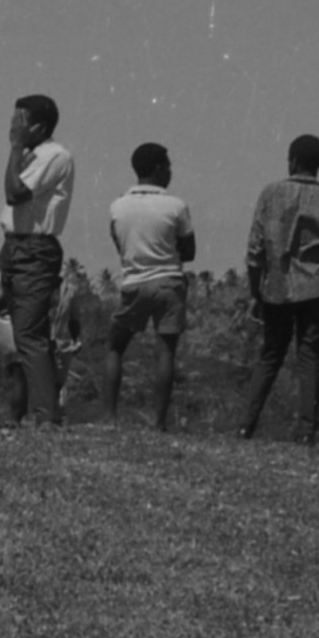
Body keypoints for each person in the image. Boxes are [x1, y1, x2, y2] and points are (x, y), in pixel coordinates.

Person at [234, 133, 319, 443]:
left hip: (278, 287)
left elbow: (255, 250)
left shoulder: (271, 194)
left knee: (270, 355)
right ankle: (306, 431)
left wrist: (255, 293)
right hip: (316, 289)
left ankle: (246, 426)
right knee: (310, 357)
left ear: (293, 160)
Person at [103, 142, 196, 428]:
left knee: (115, 347)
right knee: (165, 351)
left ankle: (110, 417)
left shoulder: (118, 206)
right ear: (158, 169)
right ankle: (158, 423)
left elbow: (119, 244)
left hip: (134, 282)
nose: (170, 171)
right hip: (169, 283)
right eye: (168, 166)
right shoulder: (176, 206)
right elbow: (190, 251)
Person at [0, 92, 73, 427]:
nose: (13, 127)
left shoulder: (54, 156)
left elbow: (15, 193)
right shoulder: (31, 156)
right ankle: (40, 411)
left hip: (35, 248)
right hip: (16, 246)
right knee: (23, 333)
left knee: (29, 334)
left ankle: (45, 414)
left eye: (20, 121)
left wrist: (15, 147)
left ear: (39, 127)